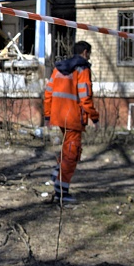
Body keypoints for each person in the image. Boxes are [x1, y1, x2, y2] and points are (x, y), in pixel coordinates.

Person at [44, 40, 99, 203]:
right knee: (71, 154)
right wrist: (94, 117)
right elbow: (85, 96)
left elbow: (48, 93)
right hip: (74, 118)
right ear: (85, 53)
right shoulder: (82, 69)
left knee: (68, 149)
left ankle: (56, 175)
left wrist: (48, 115)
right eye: (89, 54)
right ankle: (62, 191)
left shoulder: (59, 68)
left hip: (59, 116)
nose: (89, 57)